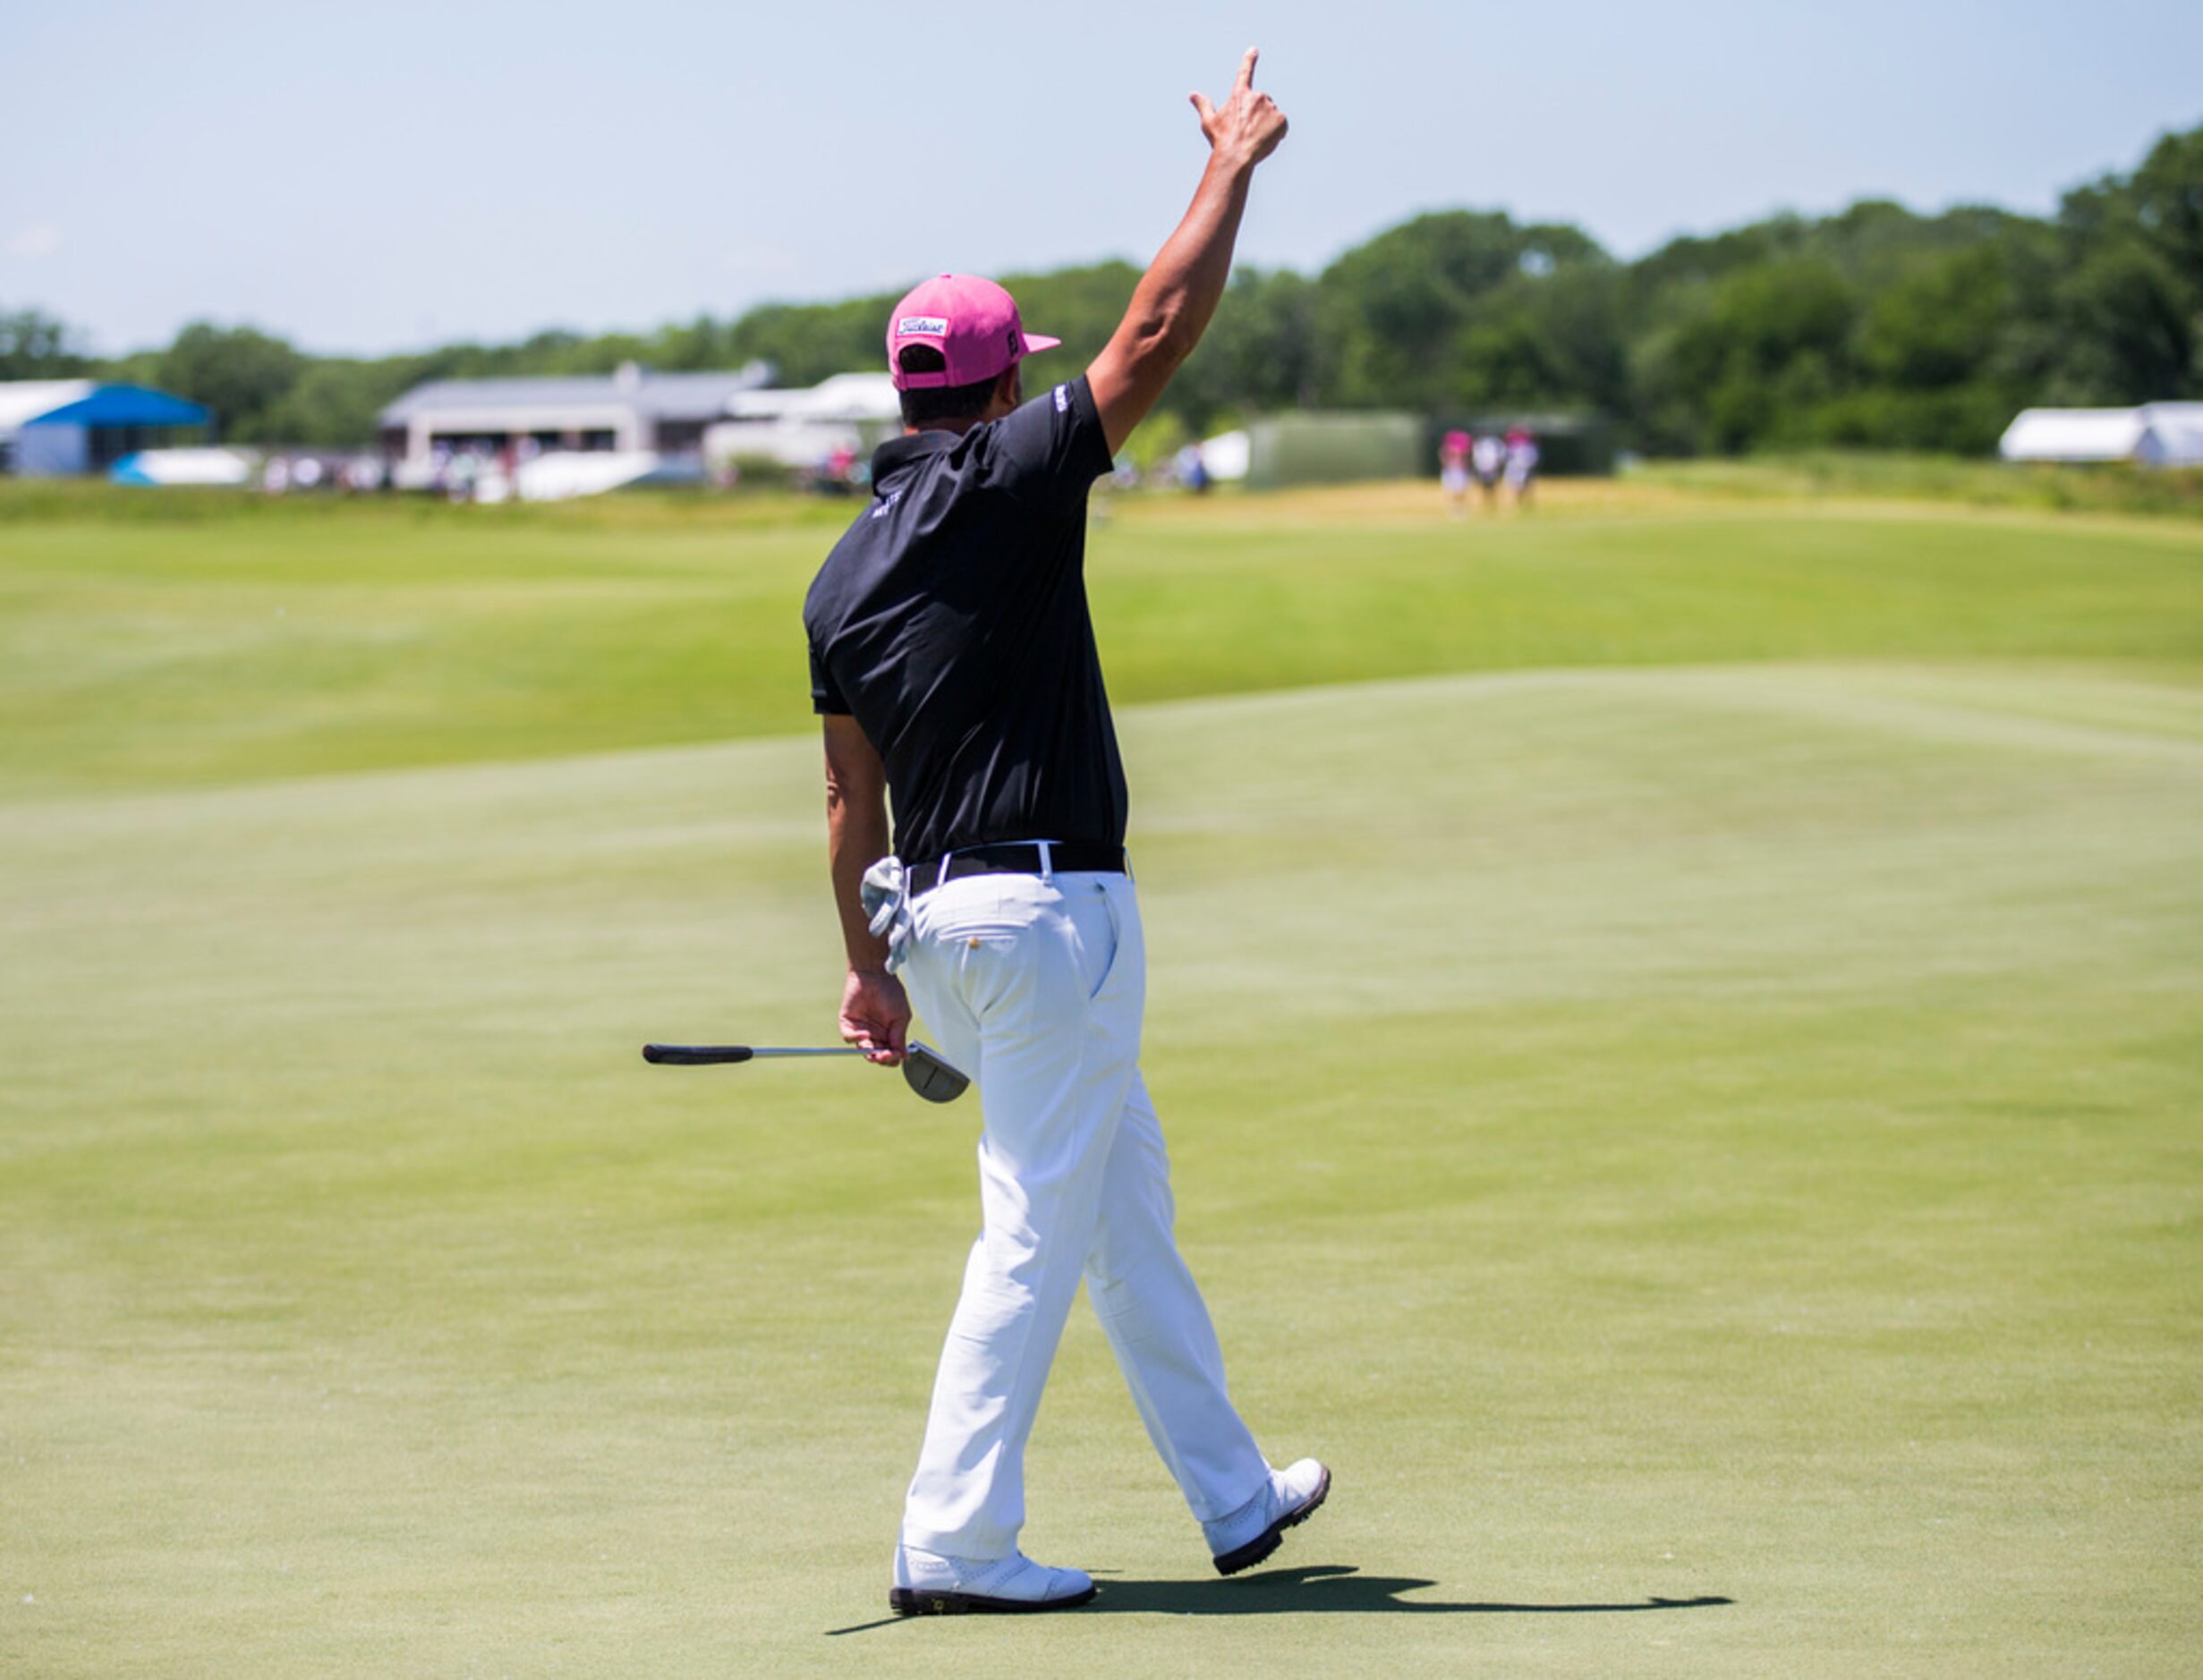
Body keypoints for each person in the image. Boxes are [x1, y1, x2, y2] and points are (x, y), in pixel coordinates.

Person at [802, 48, 1325, 1618]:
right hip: (1044, 922)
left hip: (939, 935)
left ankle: (1231, 1494)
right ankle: (952, 1540)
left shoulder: (840, 570)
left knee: (1115, 1196)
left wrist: (869, 979)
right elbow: (1155, 329)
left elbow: (849, 804)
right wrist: (1230, 167)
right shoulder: (1005, 481)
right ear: (995, 390)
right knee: (1036, 1223)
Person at [1504, 424, 1540, 510]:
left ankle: (1525, 505)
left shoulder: (1527, 446)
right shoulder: (1514, 446)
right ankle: (1520, 504)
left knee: (1524, 488)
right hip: (1517, 469)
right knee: (1517, 488)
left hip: (1524, 469)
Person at [1439, 427, 1472, 517]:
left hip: (1459, 470)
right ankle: (1455, 509)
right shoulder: (1448, 449)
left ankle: (1460, 508)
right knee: (1453, 490)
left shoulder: (1461, 449)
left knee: (1461, 490)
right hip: (1452, 470)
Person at [1471, 430, 1505, 512]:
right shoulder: (1479, 444)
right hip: (1483, 467)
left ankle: (1493, 504)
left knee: (1493, 486)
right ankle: (1486, 503)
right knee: (1484, 487)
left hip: (1492, 467)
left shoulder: (1495, 443)